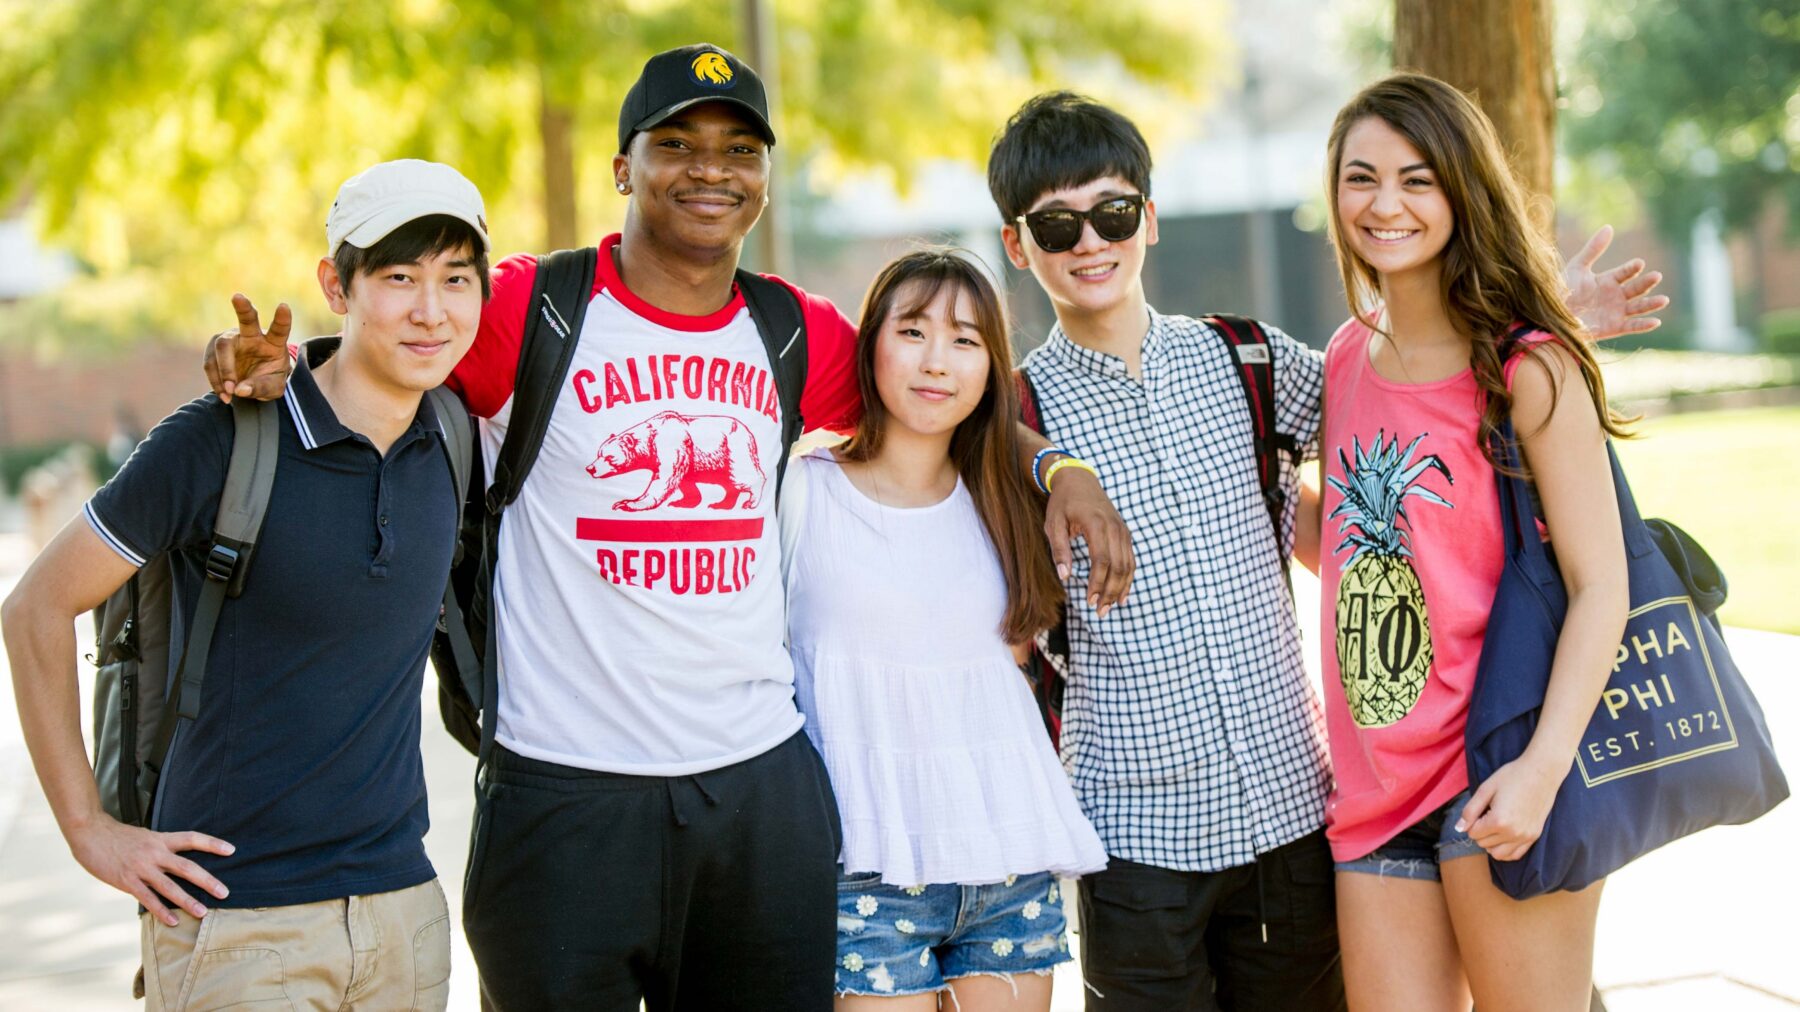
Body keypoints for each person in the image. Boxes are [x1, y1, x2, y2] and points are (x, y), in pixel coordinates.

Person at [203, 45, 1133, 1012]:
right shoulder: (534, 308)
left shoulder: (789, 330)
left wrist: (1056, 467)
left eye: (739, 149)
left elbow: (939, 393)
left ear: (764, 182)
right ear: (623, 169)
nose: (709, 168)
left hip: (757, 797)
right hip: (565, 796)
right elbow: (395, 343)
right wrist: (271, 368)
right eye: (677, 142)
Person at [984, 91, 1665, 1011]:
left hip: (1298, 814)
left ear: (1147, 217)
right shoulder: (1011, 417)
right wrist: (1054, 463)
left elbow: (1425, 393)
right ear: (1019, 246)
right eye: (1056, 227)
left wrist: (1547, 321)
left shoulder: (1253, 360)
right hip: (1136, 832)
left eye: (1110, 214)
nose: (1089, 243)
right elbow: (923, 431)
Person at [1, 158, 490, 1010]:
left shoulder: (456, 436)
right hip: (236, 926)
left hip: (404, 915)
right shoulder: (221, 441)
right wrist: (90, 833)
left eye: (456, 278)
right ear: (336, 285)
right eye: (399, 276)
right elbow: (35, 608)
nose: (430, 309)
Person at [1316, 72, 1632, 1012]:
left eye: (1418, 179)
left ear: (1463, 188)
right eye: (1361, 177)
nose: (1385, 204)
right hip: (1372, 797)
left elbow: (1599, 584)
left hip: (1501, 771)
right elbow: (1371, 552)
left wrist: (1540, 774)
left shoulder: (1529, 366)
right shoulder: (1343, 356)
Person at [783, 248, 1108, 1010]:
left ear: (992, 366)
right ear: (871, 346)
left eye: (966, 340)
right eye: (914, 332)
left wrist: (1064, 471)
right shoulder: (801, 492)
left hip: (1006, 865)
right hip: (863, 870)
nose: (937, 362)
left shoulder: (1006, 503)